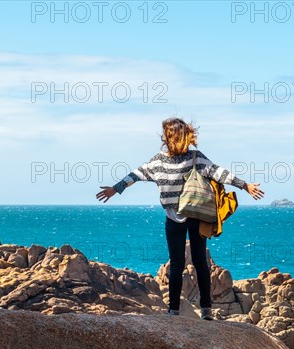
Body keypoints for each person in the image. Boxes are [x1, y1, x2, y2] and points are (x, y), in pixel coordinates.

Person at [96, 117, 264, 320]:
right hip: (189, 215)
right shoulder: (166, 160)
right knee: (186, 263)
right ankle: (183, 310)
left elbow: (219, 173)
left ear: (169, 137)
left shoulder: (188, 158)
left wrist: (244, 185)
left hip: (191, 216)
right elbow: (136, 174)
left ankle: (197, 310)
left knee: (192, 263)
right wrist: (116, 188)